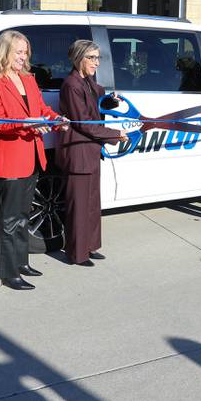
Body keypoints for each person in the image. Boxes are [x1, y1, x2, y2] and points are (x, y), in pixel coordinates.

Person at [0, 30, 68, 290]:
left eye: (25, 52)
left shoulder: (28, 79)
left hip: (33, 156)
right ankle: (7, 273)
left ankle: (21, 262)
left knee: (23, 214)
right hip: (11, 157)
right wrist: (29, 125)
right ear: (5, 52)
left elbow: (41, 110)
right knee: (8, 218)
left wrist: (56, 120)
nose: (23, 56)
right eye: (18, 52)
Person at [58, 40, 128, 266]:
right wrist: (115, 134)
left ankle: (90, 246)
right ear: (79, 57)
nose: (96, 63)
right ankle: (77, 254)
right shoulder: (71, 84)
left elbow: (97, 102)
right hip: (78, 151)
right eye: (92, 58)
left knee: (91, 203)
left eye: (98, 58)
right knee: (78, 206)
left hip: (91, 151)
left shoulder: (89, 81)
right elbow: (84, 123)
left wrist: (111, 101)